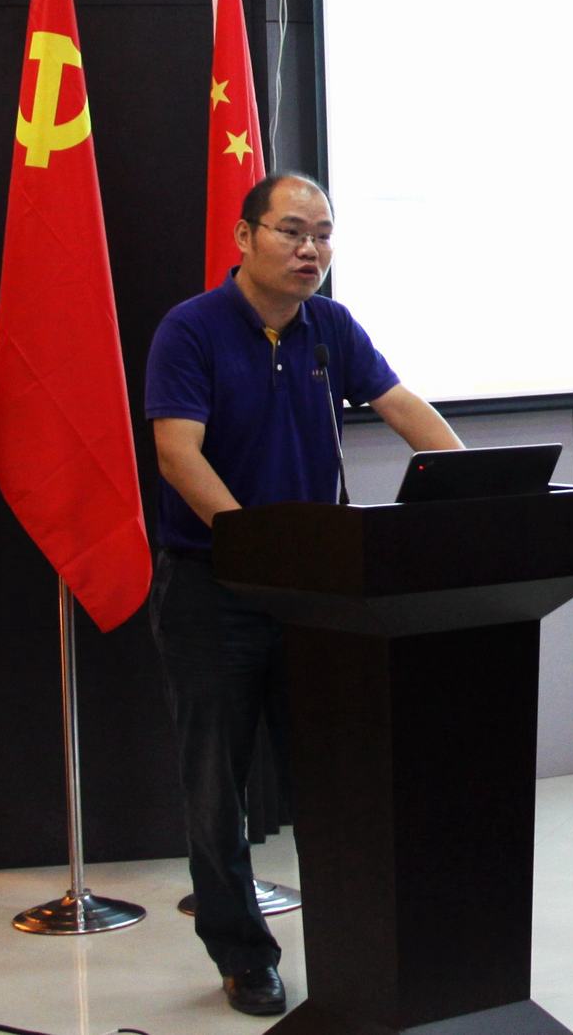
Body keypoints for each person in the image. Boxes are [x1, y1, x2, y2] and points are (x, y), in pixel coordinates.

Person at [145, 171, 462, 1017]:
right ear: (244, 236)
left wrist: (474, 484)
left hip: (315, 593)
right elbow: (178, 454)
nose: (310, 249)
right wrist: (256, 545)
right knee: (217, 786)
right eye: (291, 231)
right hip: (214, 589)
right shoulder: (192, 329)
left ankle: (356, 943)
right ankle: (242, 953)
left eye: (322, 234)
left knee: (334, 774)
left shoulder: (329, 328)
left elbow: (399, 404)